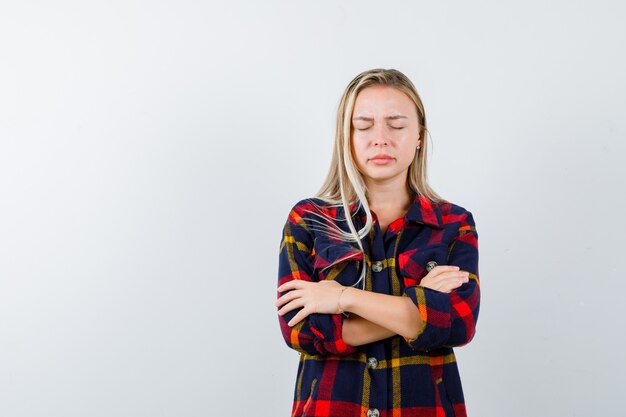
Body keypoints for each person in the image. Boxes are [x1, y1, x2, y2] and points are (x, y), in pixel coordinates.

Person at [276, 68, 480, 417]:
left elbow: (458, 323)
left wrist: (342, 298)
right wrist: (417, 312)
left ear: (418, 135)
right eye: (364, 125)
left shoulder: (453, 223)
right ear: (347, 137)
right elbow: (306, 334)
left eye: (396, 125)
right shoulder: (308, 220)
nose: (380, 138)